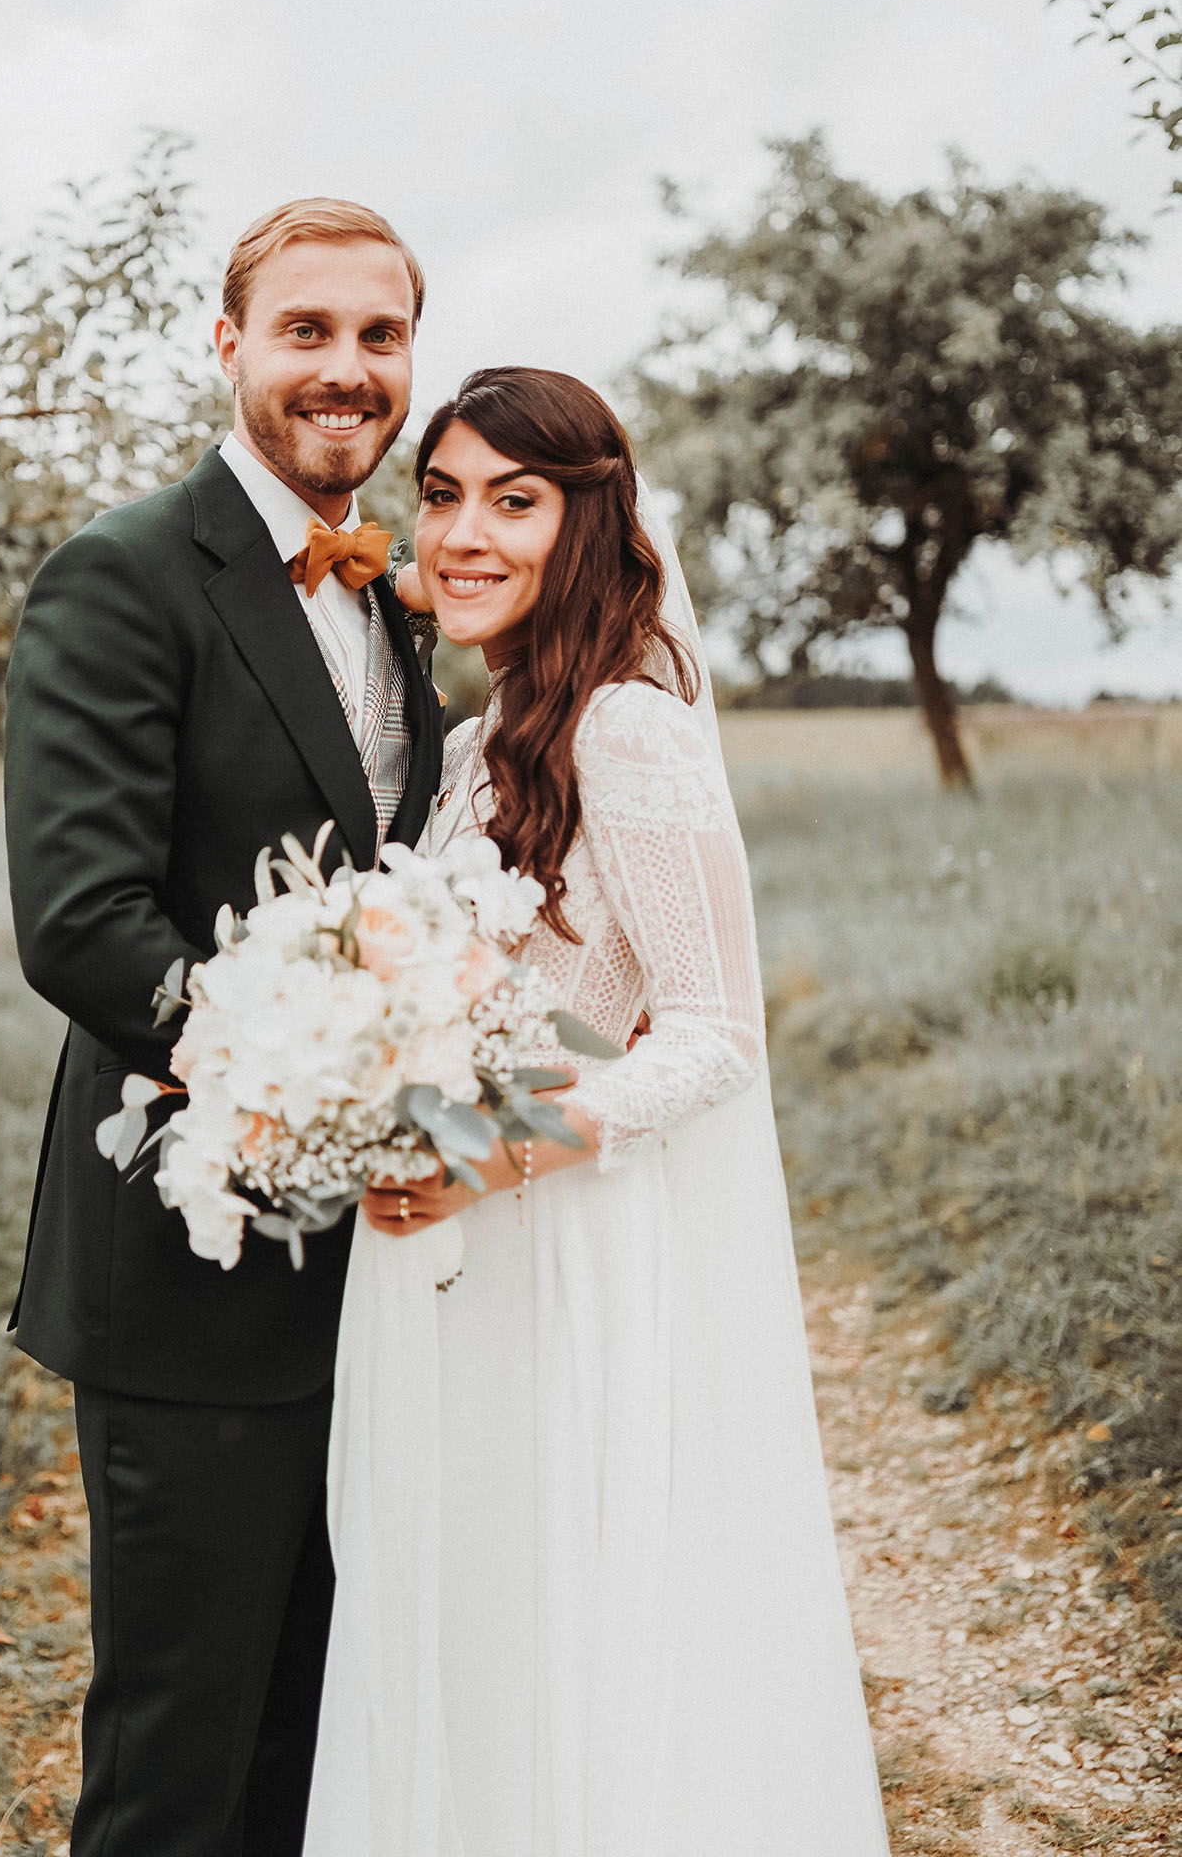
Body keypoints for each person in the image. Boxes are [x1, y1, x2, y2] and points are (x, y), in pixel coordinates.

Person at [304, 367, 892, 1855]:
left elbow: (712, 1036)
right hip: (444, 1246)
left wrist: (486, 1159)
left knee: (557, 1622)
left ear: (590, 523)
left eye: (517, 498)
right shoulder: (473, 740)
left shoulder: (626, 728)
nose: (466, 533)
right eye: (442, 496)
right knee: (465, 1628)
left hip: (552, 1240)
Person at [1, 198, 444, 1857]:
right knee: (180, 1762)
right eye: (308, 330)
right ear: (229, 345)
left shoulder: (394, 598)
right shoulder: (122, 576)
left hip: (381, 1281)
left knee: (318, 1745)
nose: (346, 369)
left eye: (380, 335)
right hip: (190, 1265)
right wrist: (339, 1083)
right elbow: (86, 925)